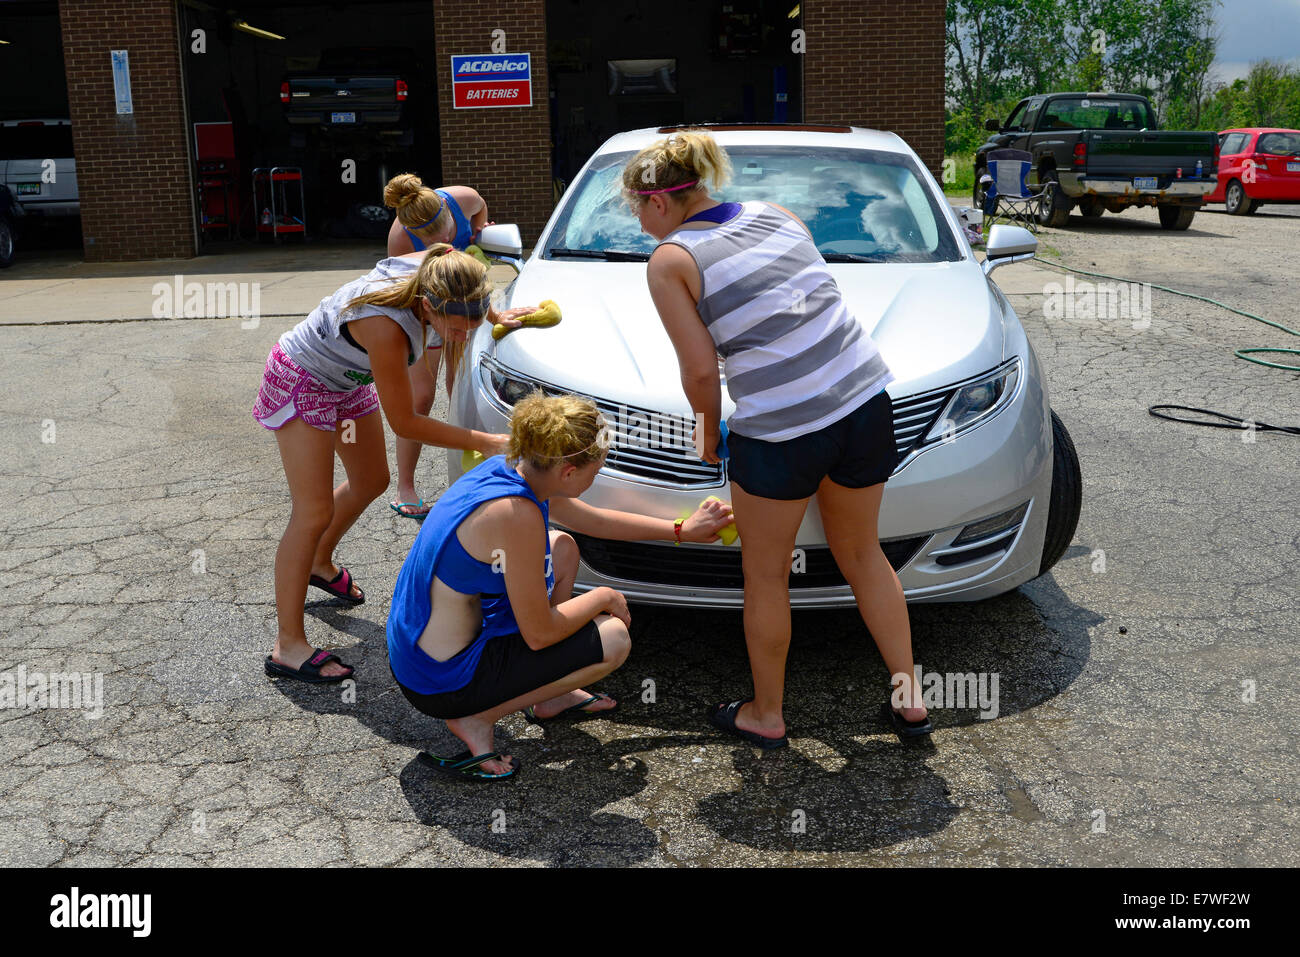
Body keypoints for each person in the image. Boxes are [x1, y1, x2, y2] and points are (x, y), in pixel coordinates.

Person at [624, 130, 933, 747]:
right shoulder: (780, 215)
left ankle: (766, 715)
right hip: (864, 404)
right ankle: (909, 697)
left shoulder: (672, 260)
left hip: (781, 431)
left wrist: (707, 431)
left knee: (765, 576)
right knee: (862, 554)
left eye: (635, 208)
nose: (637, 222)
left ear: (658, 201)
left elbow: (699, 368)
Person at [387, 392, 734, 780]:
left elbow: (595, 522)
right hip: (442, 680)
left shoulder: (517, 467)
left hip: (424, 650)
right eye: (595, 470)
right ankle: (476, 718)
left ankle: (550, 697)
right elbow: (540, 634)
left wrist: (681, 531)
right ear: (569, 472)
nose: (596, 476)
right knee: (614, 638)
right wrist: (603, 596)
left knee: (563, 547)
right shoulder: (516, 514)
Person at [255, 243, 534, 683]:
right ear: (427, 306)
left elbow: (468, 281)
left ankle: (318, 562)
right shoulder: (386, 329)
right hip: (303, 377)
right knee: (312, 512)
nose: (462, 336)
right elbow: (406, 423)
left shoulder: (444, 270)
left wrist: (495, 315)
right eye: (456, 328)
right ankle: (287, 645)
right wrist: (487, 441)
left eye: (473, 323)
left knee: (371, 480)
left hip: (347, 378)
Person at [383, 174, 494, 520]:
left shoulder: (463, 197)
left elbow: (480, 212)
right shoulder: (400, 239)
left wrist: (480, 231)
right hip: (425, 310)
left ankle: (466, 481)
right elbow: (407, 294)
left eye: (443, 228)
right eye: (428, 238)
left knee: (460, 388)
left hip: (463, 304)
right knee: (421, 397)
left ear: (447, 209)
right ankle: (406, 487)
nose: (442, 239)